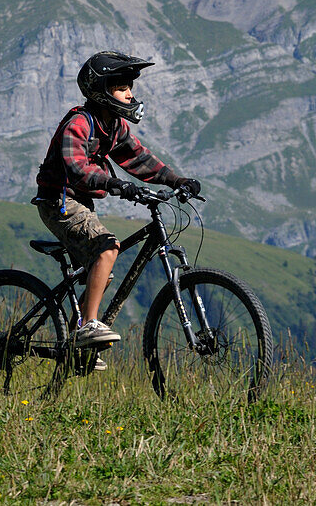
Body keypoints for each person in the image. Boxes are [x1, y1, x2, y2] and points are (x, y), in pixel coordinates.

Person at [33, 51, 200, 353]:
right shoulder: (80, 123)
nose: (130, 94)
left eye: (130, 88)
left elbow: (138, 158)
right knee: (108, 248)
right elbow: (76, 168)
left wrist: (178, 181)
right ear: (101, 91)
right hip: (59, 201)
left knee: (102, 270)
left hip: (81, 203)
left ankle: (76, 344)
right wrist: (114, 184)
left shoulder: (113, 126)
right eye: (123, 88)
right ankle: (87, 326)